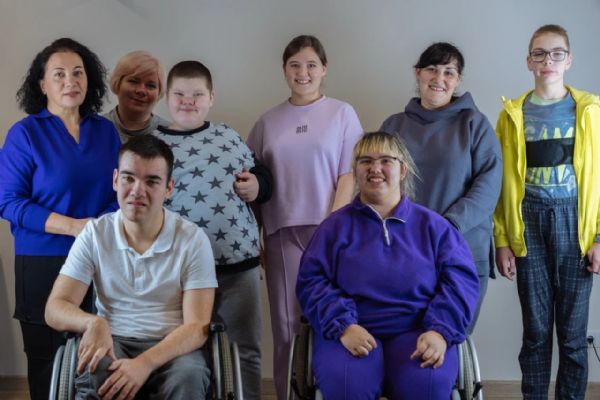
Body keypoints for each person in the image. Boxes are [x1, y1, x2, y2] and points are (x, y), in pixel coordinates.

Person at [296, 131, 479, 399]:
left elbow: (460, 282)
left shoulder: (434, 227)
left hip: (419, 329)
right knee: (346, 385)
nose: (375, 168)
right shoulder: (333, 228)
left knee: (427, 385)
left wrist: (440, 331)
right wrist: (343, 326)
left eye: (385, 160)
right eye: (366, 161)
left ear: (402, 170)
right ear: (356, 171)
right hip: (352, 330)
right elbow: (311, 281)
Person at [45, 135, 217, 399]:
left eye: (152, 181)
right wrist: (94, 323)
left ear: (169, 188)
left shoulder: (192, 239)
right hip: (113, 339)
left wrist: (144, 363)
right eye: (129, 178)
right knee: (93, 370)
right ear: (116, 180)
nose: (137, 191)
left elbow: (197, 327)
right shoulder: (95, 234)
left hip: (172, 344)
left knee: (189, 377)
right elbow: (55, 308)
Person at [0, 37, 120, 400]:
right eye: (59, 74)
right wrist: (73, 227)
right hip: (41, 260)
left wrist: (96, 229)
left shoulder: (105, 131)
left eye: (78, 72)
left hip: (98, 257)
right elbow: (9, 202)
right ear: (42, 84)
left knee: (97, 358)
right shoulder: (25, 134)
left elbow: (120, 193)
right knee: (46, 363)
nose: (71, 81)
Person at [247, 34, 363, 399]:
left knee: (331, 318)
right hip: (281, 232)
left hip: (329, 232)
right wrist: (255, 235)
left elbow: (349, 175)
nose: (303, 72)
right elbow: (255, 184)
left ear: (324, 69)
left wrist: (333, 226)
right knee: (287, 326)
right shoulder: (267, 122)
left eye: (312, 65)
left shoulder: (342, 114)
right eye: (295, 65)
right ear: (284, 70)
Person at [494, 24, 600, 399]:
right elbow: (501, 183)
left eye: (556, 53)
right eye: (539, 53)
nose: (547, 60)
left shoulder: (590, 112)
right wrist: (502, 239)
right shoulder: (512, 114)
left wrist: (599, 236)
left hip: (577, 226)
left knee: (572, 336)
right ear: (529, 61)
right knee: (536, 332)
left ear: (568, 60)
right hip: (528, 224)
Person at [155, 60, 272, 400]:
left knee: (245, 347)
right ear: (166, 97)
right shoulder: (155, 145)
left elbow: (263, 176)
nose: (188, 102)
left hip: (238, 263)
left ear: (211, 98)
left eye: (197, 94)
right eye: (179, 94)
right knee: (188, 350)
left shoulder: (228, 135)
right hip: (180, 270)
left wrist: (258, 186)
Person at [380, 42, 502, 333]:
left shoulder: (475, 124)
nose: (439, 78)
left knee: (448, 339)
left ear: (458, 80)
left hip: (461, 249)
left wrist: (449, 225)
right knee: (406, 341)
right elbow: (376, 183)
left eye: (449, 72)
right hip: (404, 251)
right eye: (432, 69)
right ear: (418, 73)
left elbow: (488, 185)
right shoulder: (393, 127)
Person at [105, 50, 169, 142]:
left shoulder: (170, 134)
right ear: (118, 83)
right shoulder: (94, 129)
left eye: (151, 85)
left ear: (159, 92)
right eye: (133, 81)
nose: (141, 91)